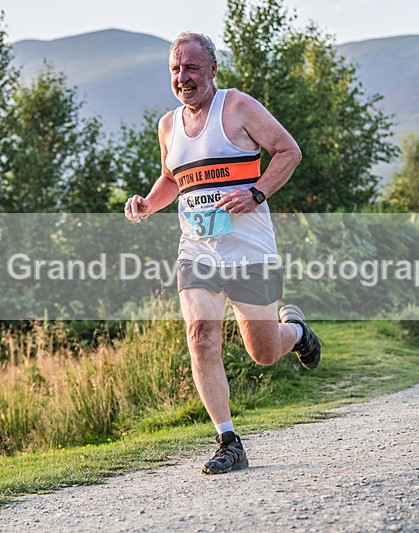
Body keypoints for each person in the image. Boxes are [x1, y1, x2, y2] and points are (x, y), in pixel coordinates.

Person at [124, 31, 320, 475]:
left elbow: (289, 151)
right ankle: (228, 440)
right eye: (175, 69)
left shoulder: (237, 107)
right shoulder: (169, 125)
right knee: (201, 338)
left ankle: (297, 331)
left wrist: (256, 192)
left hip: (248, 249)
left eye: (191, 67)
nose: (182, 77)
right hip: (197, 251)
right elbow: (173, 179)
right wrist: (147, 203)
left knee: (264, 352)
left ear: (212, 69)